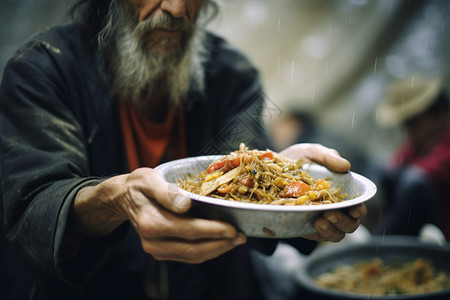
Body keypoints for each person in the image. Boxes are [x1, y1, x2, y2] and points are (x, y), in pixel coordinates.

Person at [0, 0, 367, 299]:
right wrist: (115, 199)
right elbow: (33, 206)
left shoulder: (230, 75)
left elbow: (249, 184)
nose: (176, 9)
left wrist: (298, 196)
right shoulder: (45, 68)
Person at [374, 73, 450, 240]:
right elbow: (395, 164)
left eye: (414, 124)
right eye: (406, 126)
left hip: (441, 239)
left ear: (440, 115)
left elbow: (425, 173)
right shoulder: (418, 146)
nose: (409, 133)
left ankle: (378, 246)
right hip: (414, 230)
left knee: (414, 182)